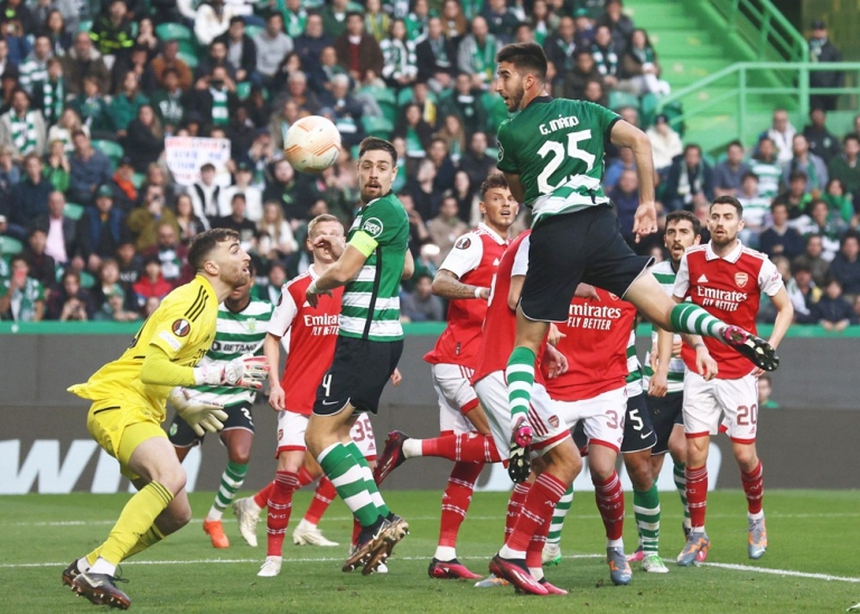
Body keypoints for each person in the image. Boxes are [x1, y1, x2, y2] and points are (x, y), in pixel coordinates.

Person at [491, 42, 778, 482]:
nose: (498, 86)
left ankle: (519, 422)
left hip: (554, 230)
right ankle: (725, 329)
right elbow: (641, 140)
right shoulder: (587, 110)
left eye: (504, 75)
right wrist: (647, 202)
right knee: (662, 308)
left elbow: (520, 193)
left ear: (529, 80)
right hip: (600, 225)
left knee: (526, 343)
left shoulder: (510, 130)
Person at [62, 228, 269, 609]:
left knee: (177, 515)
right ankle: (101, 570)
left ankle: (88, 564)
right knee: (172, 476)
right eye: (235, 250)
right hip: (120, 402)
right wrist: (218, 374)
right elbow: (152, 368)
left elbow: (155, 364)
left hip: (141, 407)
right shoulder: (193, 301)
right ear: (211, 266)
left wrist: (183, 402)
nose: (246, 257)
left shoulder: (206, 307)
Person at [374, 173, 517, 580]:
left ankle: (444, 556)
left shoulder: (513, 248)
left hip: (484, 364)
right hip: (460, 360)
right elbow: (440, 281)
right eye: (497, 198)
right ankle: (406, 447)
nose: (506, 204)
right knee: (501, 443)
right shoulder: (475, 242)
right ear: (483, 207)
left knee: (469, 461)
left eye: (511, 198)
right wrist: (477, 292)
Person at [234, 214, 384, 576]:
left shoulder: (357, 285)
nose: (329, 239)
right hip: (301, 396)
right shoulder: (297, 288)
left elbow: (370, 332)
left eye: (336, 233)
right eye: (322, 234)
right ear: (310, 242)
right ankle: (274, 557)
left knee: (366, 469)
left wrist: (383, 365)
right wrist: (275, 383)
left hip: (344, 397)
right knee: (288, 472)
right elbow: (272, 337)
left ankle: (363, 548)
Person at [303, 137, 413, 575]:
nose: (373, 173)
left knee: (319, 437)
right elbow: (405, 267)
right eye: (366, 165)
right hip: (377, 339)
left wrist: (317, 284)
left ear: (394, 174)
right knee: (341, 435)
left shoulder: (379, 212)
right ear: (356, 171)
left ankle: (376, 520)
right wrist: (347, 251)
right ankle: (378, 522)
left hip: (363, 340)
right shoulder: (384, 213)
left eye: (382, 167)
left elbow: (346, 272)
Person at [673, 195, 793, 566]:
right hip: (700, 368)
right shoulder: (692, 259)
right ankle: (697, 534)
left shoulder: (758, 263)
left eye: (728, 217)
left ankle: (756, 520)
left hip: (740, 372)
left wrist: (768, 349)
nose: (720, 222)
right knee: (695, 453)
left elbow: (786, 307)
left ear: (740, 224)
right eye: (715, 216)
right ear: (708, 222)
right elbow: (677, 309)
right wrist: (695, 345)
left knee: (743, 454)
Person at [168, 270, 273, 548]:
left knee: (241, 453)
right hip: (196, 397)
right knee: (164, 470)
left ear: (252, 282)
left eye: (244, 278)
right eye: (232, 278)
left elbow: (283, 340)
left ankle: (214, 518)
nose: (237, 283)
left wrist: (275, 382)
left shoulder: (266, 312)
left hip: (235, 397)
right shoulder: (207, 310)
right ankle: (149, 516)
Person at [641, 210, 703, 559]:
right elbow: (633, 318)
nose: (677, 238)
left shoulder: (707, 277)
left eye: (684, 232)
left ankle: (694, 526)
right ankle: (646, 542)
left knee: (682, 448)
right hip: (658, 381)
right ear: (664, 239)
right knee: (648, 466)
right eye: (672, 232)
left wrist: (693, 344)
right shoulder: (652, 276)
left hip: (694, 380)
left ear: (697, 239)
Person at [808, 20, 842, 112]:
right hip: (811, 91)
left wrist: (837, 91)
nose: (818, 31)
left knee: (830, 116)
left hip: (829, 92)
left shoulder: (833, 50)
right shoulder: (806, 48)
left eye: (821, 29)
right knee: (814, 115)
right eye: (815, 29)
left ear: (825, 31)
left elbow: (840, 72)